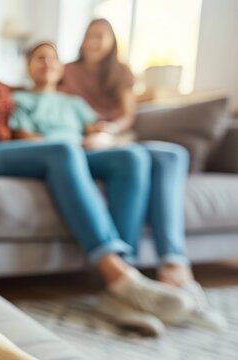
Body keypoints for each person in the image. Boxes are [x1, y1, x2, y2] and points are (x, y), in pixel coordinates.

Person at [0, 17, 194, 335]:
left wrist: (105, 135)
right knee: (62, 149)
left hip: (12, 151)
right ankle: (118, 277)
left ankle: (125, 280)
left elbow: (92, 123)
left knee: (131, 157)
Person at [59, 19, 225, 330]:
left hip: (118, 137)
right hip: (87, 141)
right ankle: (126, 281)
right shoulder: (66, 71)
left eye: (100, 36)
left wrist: (111, 130)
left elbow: (127, 115)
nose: (93, 42)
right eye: (88, 36)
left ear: (112, 42)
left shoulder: (120, 73)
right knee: (133, 160)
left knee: (173, 155)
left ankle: (175, 267)